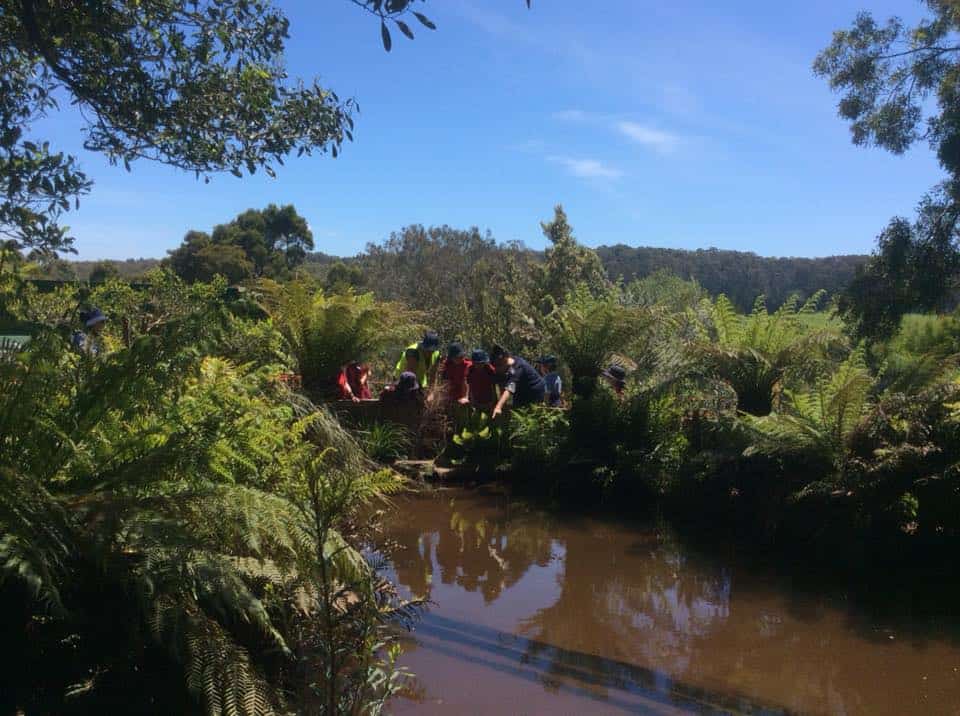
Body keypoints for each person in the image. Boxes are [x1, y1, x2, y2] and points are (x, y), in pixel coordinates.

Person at [490, 345, 545, 418]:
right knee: (517, 413)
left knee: (532, 416)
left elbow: (510, 388)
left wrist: (498, 407)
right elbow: (501, 385)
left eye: (498, 365)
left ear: (505, 360)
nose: (496, 368)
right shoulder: (500, 369)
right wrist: (503, 405)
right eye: (494, 365)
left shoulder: (518, 367)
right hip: (520, 390)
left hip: (534, 391)